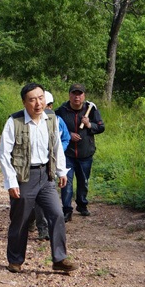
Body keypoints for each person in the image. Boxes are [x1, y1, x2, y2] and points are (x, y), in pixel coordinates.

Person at [0, 83, 77, 274]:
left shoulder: (51, 119)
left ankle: (59, 259)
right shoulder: (14, 122)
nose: (38, 103)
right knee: (21, 220)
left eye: (40, 98)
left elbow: (56, 145)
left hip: (46, 175)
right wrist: (11, 182)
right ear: (24, 102)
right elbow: (3, 154)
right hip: (24, 177)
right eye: (32, 99)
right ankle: (15, 260)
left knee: (57, 214)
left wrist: (61, 171)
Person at [59, 83, 105, 219]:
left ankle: (82, 204)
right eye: (74, 93)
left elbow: (101, 127)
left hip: (85, 154)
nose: (76, 97)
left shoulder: (91, 110)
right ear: (69, 95)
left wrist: (89, 124)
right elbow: (54, 128)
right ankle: (67, 210)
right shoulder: (61, 111)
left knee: (83, 182)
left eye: (79, 94)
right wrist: (68, 134)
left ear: (84, 96)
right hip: (68, 153)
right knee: (66, 182)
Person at [34, 91, 73, 240]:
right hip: (36, 167)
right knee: (34, 200)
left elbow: (64, 139)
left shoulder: (57, 121)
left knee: (47, 198)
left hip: (52, 164)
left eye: (49, 106)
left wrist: (58, 153)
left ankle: (46, 228)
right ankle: (39, 225)